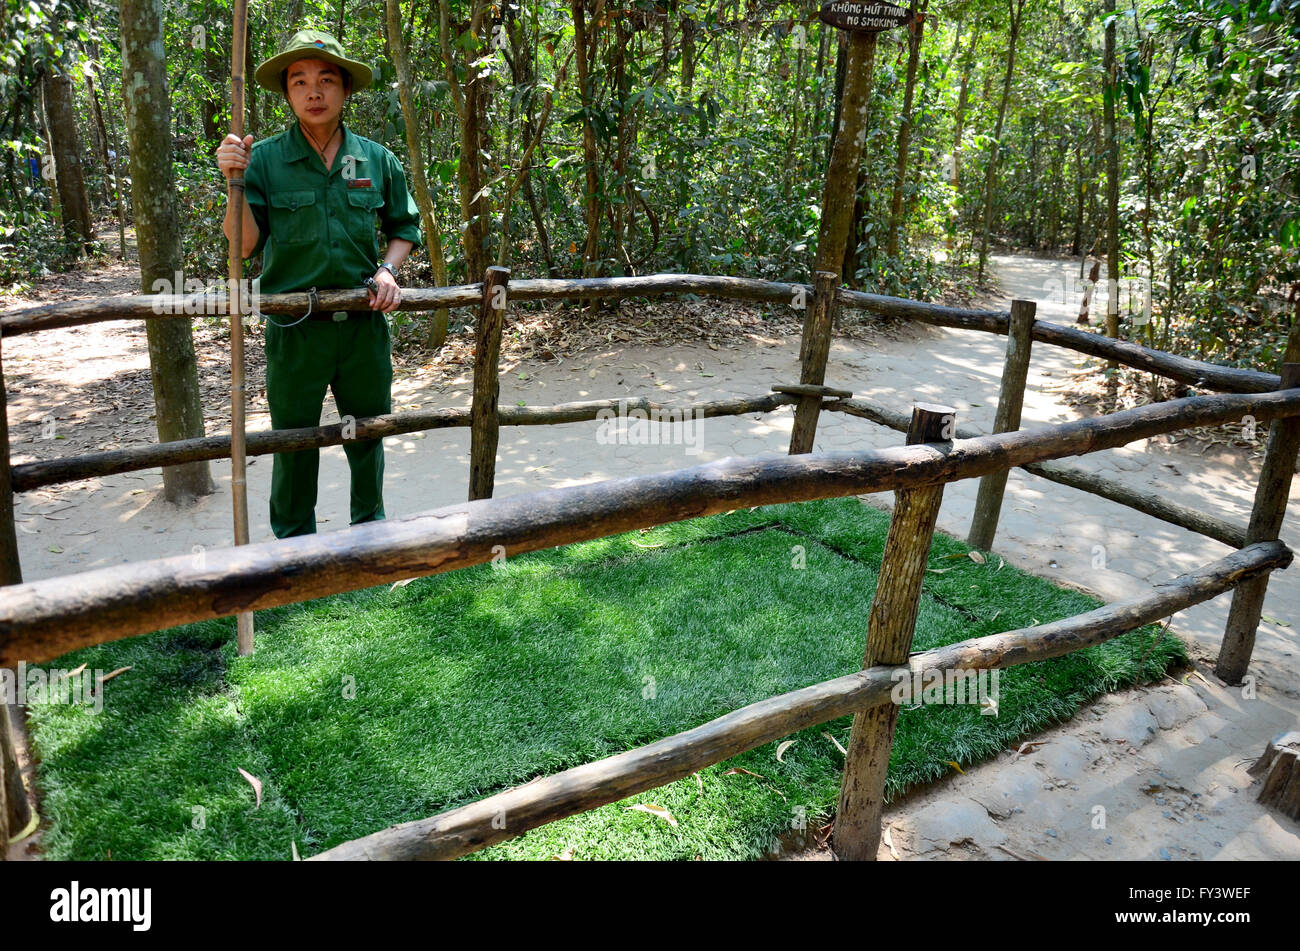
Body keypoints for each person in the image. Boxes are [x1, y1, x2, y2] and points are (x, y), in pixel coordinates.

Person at [216, 29, 423, 539]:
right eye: (300, 81)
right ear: (286, 93)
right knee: (293, 440)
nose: (314, 92)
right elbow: (243, 247)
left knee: (367, 434)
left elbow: (404, 228)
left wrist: (387, 270)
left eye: (326, 80)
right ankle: (293, 547)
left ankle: (368, 533)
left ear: (345, 90)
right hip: (294, 330)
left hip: (362, 326)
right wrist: (233, 182)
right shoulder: (261, 158)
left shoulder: (377, 159)